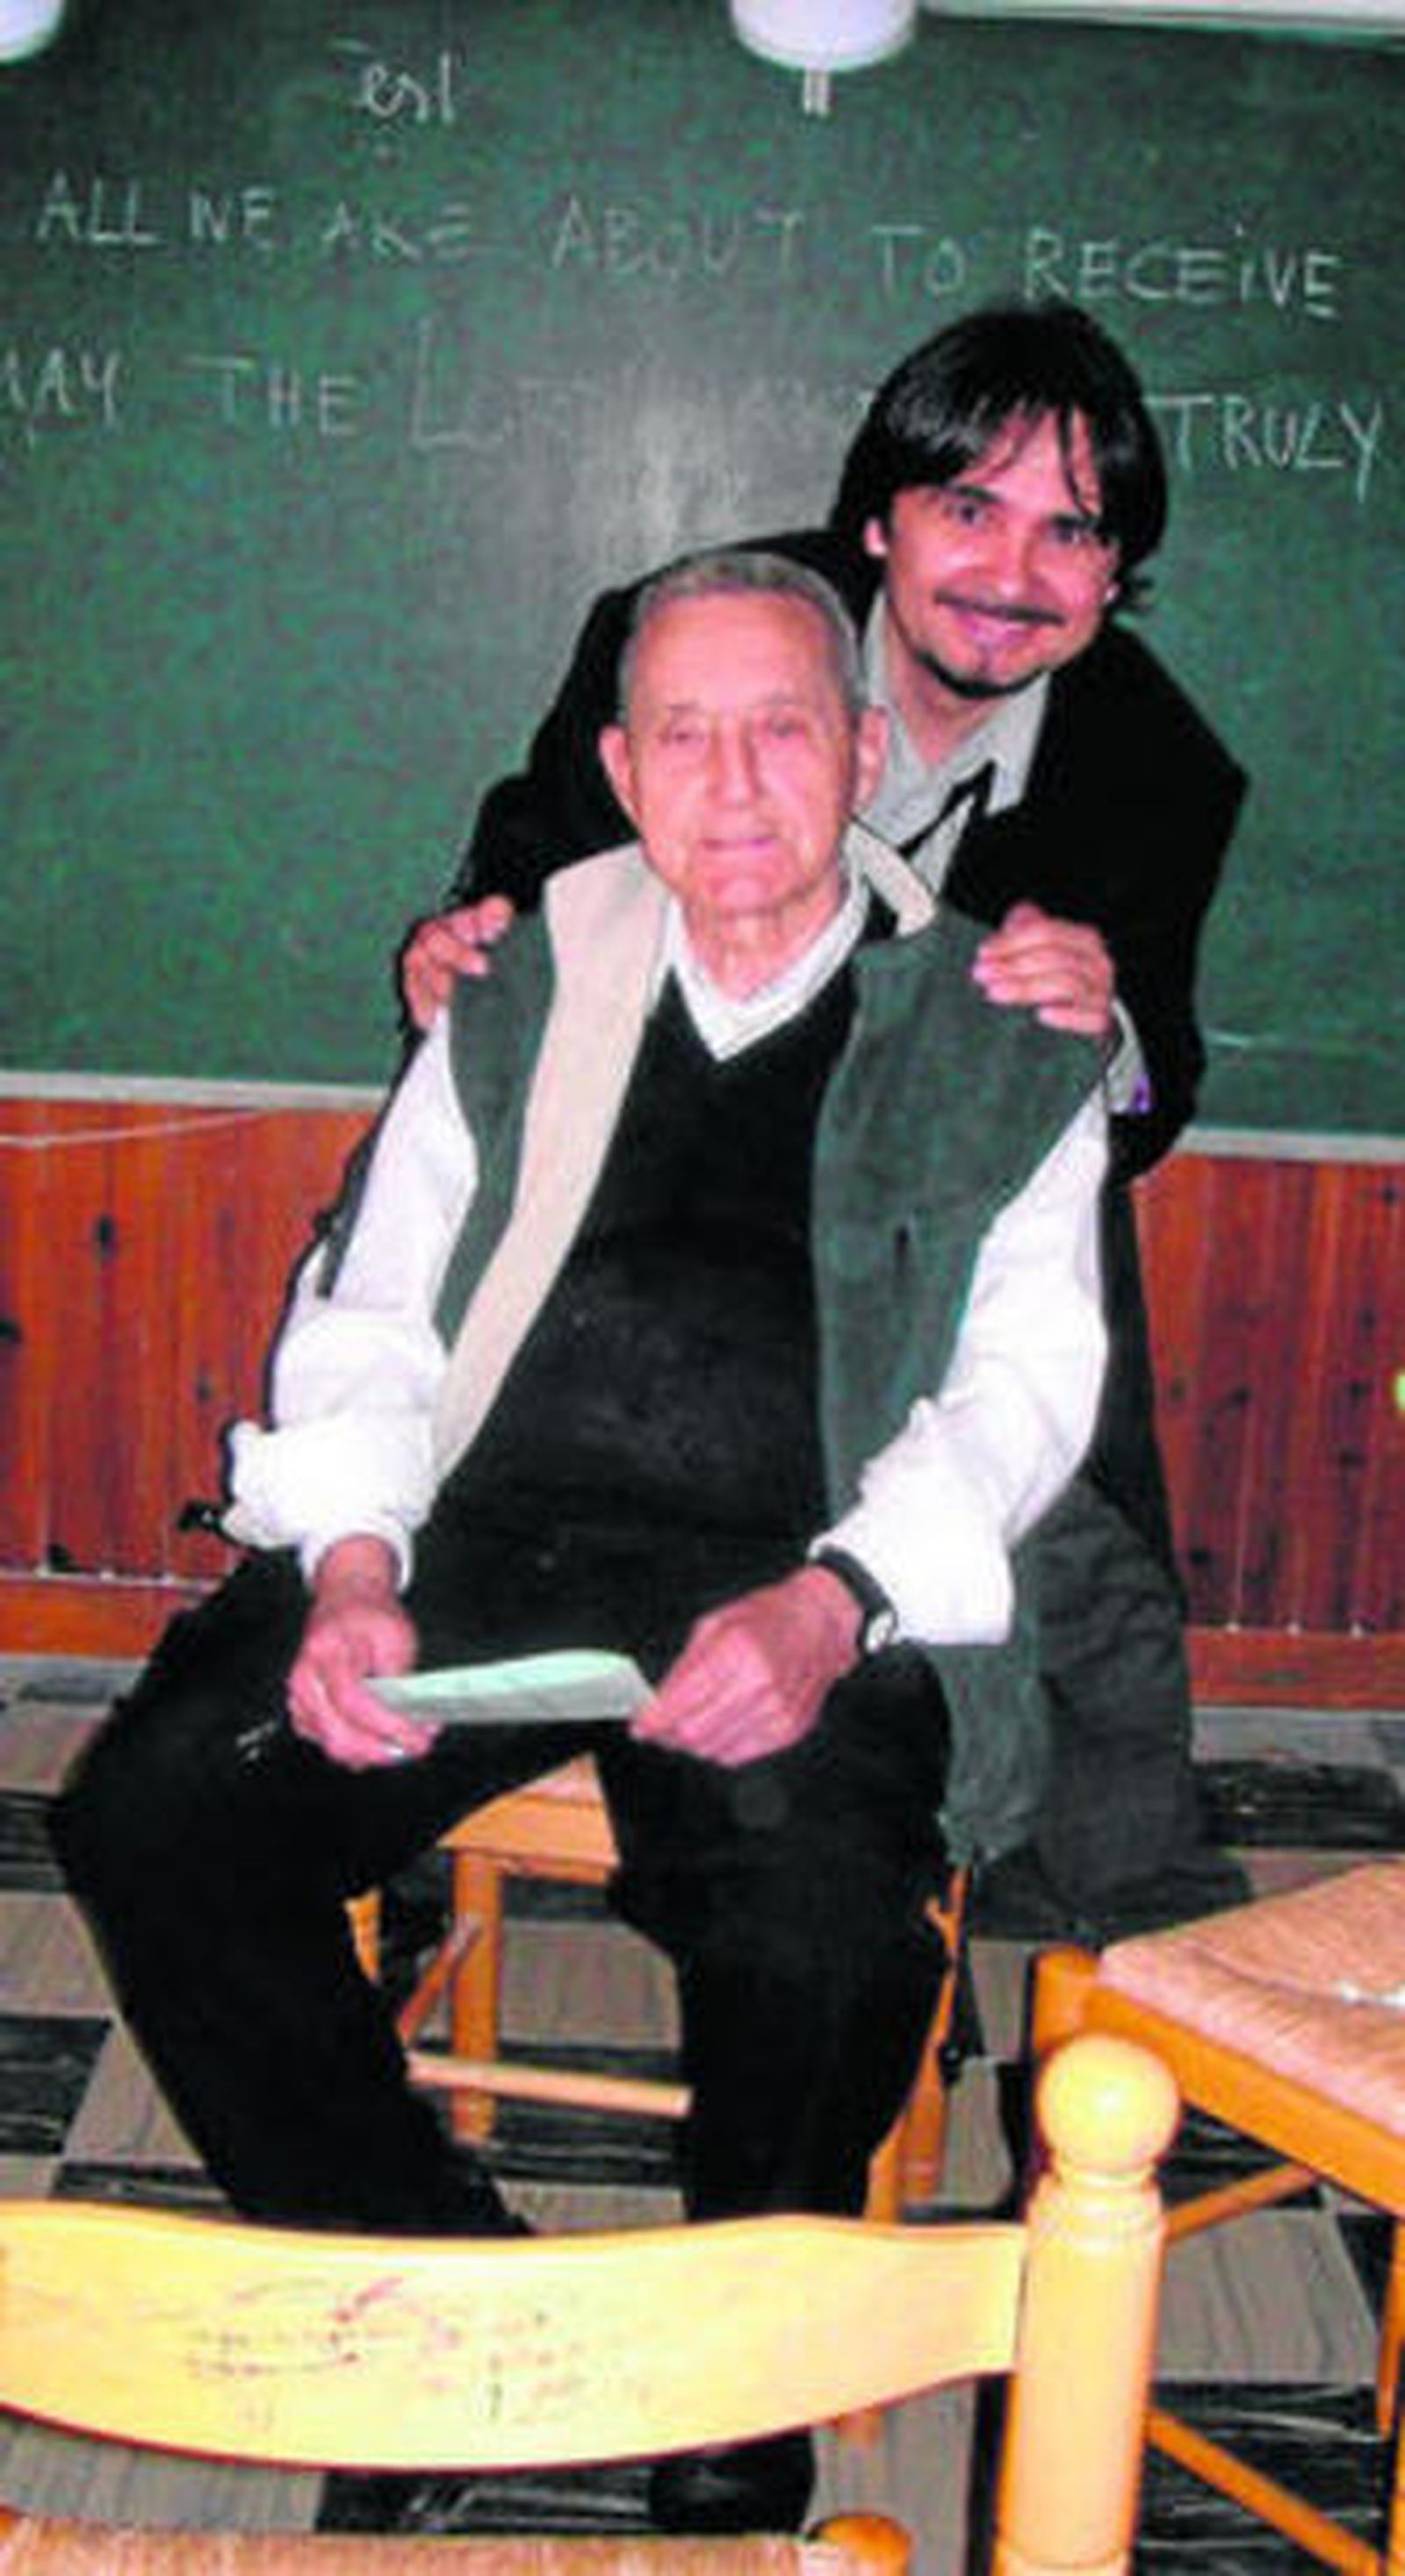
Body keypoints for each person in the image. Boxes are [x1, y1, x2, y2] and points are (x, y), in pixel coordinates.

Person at [55, 552, 1109, 2536]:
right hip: (493, 1533)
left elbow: (1025, 1388)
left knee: (819, 1926)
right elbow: (376, 1303)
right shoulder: (516, 981)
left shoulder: (992, 1023)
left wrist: (836, 1604)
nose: (735, 784)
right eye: (683, 737)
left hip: (809, 1563)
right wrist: (350, 1567)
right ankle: (438, 2297)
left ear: (861, 750)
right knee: (157, 1814)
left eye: (781, 729)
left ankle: (729, 2397)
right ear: (619, 773)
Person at [400, 299, 1250, 1941]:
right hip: (647, 1197)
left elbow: (1158, 1084)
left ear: (1113, 572)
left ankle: (1099, 1892)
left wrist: (1107, 1032)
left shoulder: (1159, 769)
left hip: (912, 1239)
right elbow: (528, 872)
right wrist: (463, 942)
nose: (1011, 572)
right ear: (881, 520)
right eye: (969, 508)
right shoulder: (696, 631)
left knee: (1071, 1479)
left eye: (1071, 532)